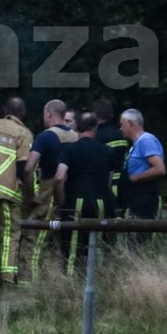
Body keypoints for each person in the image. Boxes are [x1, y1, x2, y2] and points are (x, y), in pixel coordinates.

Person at [18, 99, 78, 282]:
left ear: (50, 114)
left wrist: (30, 196)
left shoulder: (45, 136)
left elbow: (29, 168)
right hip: (71, 194)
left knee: (33, 237)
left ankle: (28, 282)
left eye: (45, 114)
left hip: (49, 192)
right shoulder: (76, 136)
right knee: (61, 239)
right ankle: (60, 278)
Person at [0, 96, 32, 285]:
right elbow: (23, 168)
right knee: (11, 233)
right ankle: (8, 279)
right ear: (23, 113)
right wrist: (28, 194)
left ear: (4, 110)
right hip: (7, 192)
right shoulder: (23, 134)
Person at [55, 112, 116, 274]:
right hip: (102, 202)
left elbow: (60, 177)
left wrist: (60, 202)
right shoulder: (108, 151)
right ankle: (100, 279)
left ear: (77, 127)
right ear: (95, 128)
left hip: (77, 202)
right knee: (98, 244)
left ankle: (70, 282)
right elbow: (109, 181)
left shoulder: (69, 149)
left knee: (73, 245)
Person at [117, 108, 165, 225]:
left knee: (140, 236)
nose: (120, 128)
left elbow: (160, 169)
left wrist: (135, 178)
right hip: (136, 196)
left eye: (122, 124)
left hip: (145, 196)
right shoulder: (137, 143)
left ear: (129, 123)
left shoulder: (146, 140)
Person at [92, 98, 128, 215]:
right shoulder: (120, 134)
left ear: (94, 116)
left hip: (105, 186)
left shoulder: (96, 136)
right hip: (123, 185)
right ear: (111, 115)